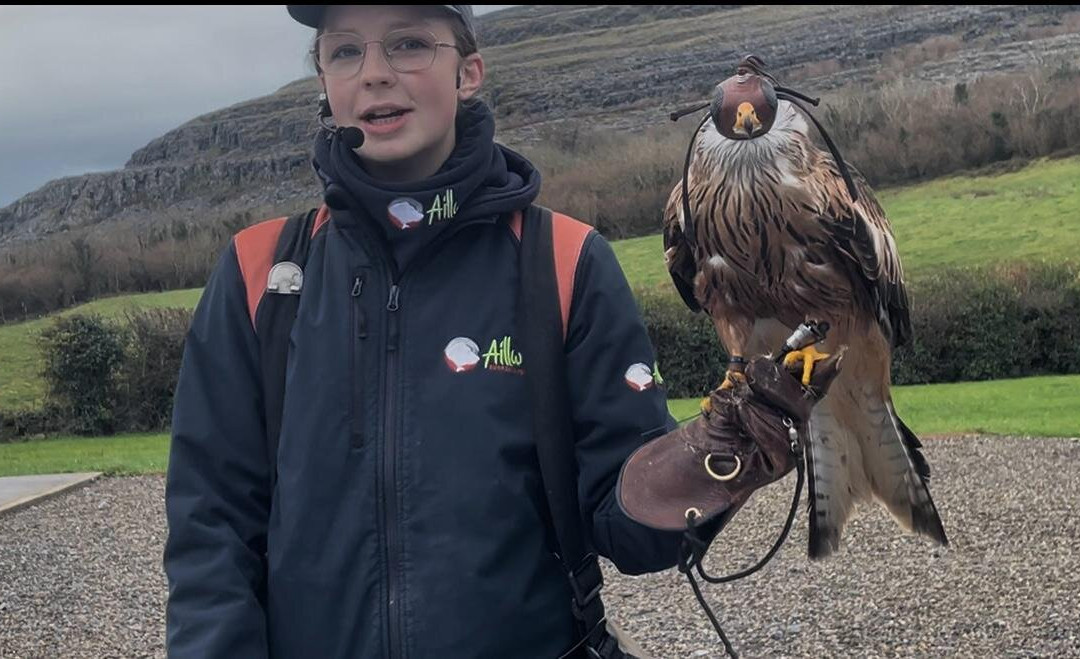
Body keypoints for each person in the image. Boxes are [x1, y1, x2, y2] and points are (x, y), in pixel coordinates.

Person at [164, 5, 813, 657]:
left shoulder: (564, 263)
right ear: (324, 82)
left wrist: (719, 455)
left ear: (468, 71)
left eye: (410, 44)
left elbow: (632, 530)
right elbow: (210, 533)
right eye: (344, 52)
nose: (375, 75)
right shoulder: (261, 274)